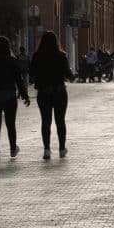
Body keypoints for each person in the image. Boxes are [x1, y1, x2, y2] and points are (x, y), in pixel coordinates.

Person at [0, 36, 30, 162]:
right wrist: (25, 95)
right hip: (9, 96)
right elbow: (19, 80)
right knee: (10, 124)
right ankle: (13, 149)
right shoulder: (12, 61)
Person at [29, 31, 74, 160]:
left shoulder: (37, 56)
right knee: (60, 121)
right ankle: (61, 148)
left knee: (45, 121)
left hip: (43, 92)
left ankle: (47, 149)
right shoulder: (61, 55)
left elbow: (31, 72)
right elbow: (68, 73)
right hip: (59, 92)